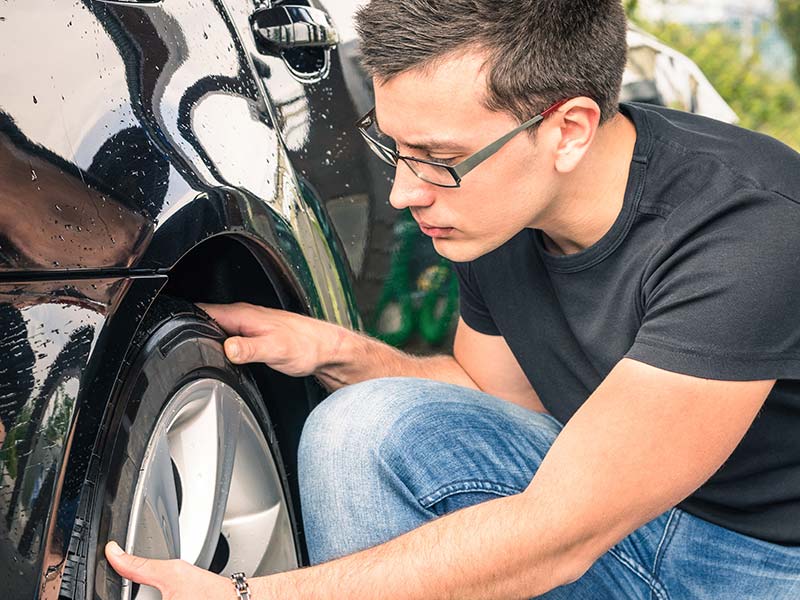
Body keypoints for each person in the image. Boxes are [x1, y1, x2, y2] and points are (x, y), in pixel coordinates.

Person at [105, 0, 800, 597]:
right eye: (396, 148)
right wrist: (337, 352)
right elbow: (490, 394)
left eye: (438, 158)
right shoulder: (497, 208)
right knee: (362, 426)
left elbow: (560, 536)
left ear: (569, 130)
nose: (407, 192)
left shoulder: (750, 231)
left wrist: (253, 592)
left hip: (765, 565)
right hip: (634, 519)